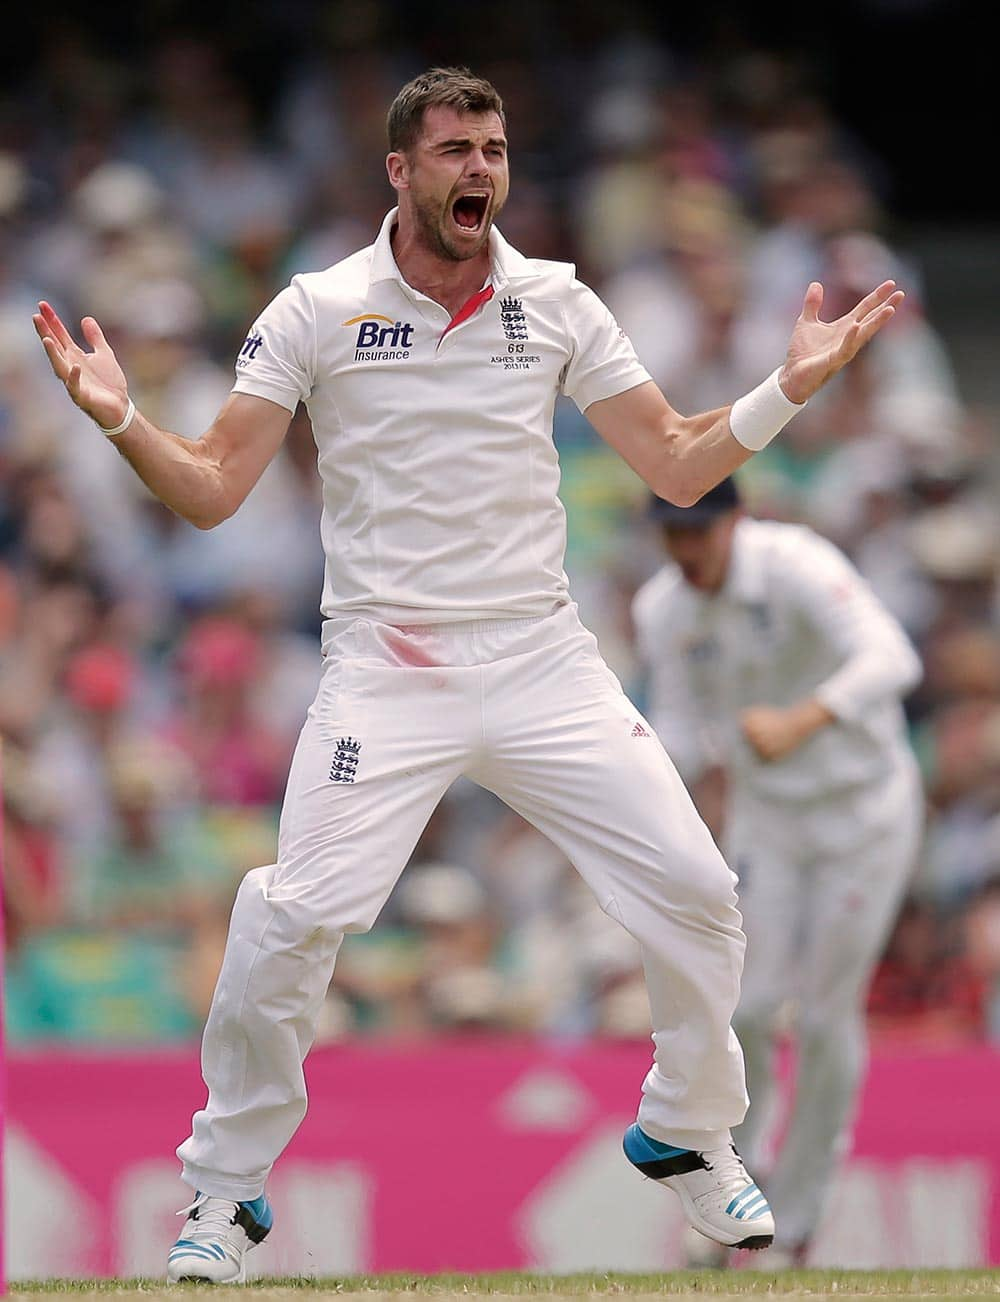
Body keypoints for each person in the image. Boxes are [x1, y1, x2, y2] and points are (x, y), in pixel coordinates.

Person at [33, 67, 904, 1283]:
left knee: (700, 887)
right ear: (400, 171)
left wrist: (784, 388)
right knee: (294, 916)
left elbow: (675, 466)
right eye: (452, 150)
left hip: (541, 658)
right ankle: (225, 1195)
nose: (479, 170)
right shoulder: (318, 306)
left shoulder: (555, 300)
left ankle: (688, 1131)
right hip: (387, 667)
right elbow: (215, 491)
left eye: (492, 148)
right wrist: (124, 421)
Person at [632, 477, 923, 1264]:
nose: (687, 553)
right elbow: (679, 725)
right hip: (770, 821)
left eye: (699, 533)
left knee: (826, 1017)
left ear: (736, 521)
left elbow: (892, 656)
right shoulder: (664, 609)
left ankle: (797, 1218)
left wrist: (805, 717)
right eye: (672, 536)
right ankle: (739, 1181)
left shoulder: (795, 563)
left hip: (864, 813)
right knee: (750, 1007)